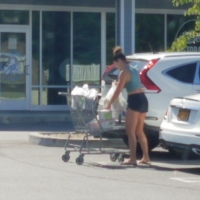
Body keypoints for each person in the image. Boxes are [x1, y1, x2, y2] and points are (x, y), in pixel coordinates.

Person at [105, 46, 150, 166]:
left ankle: (133, 158)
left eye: (116, 65)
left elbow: (118, 90)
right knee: (139, 131)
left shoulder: (124, 72)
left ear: (119, 61)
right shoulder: (133, 69)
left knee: (130, 131)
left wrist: (109, 104)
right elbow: (130, 83)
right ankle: (146, 157)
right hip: (143, 99)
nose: (116, 67)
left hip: (134, 100)